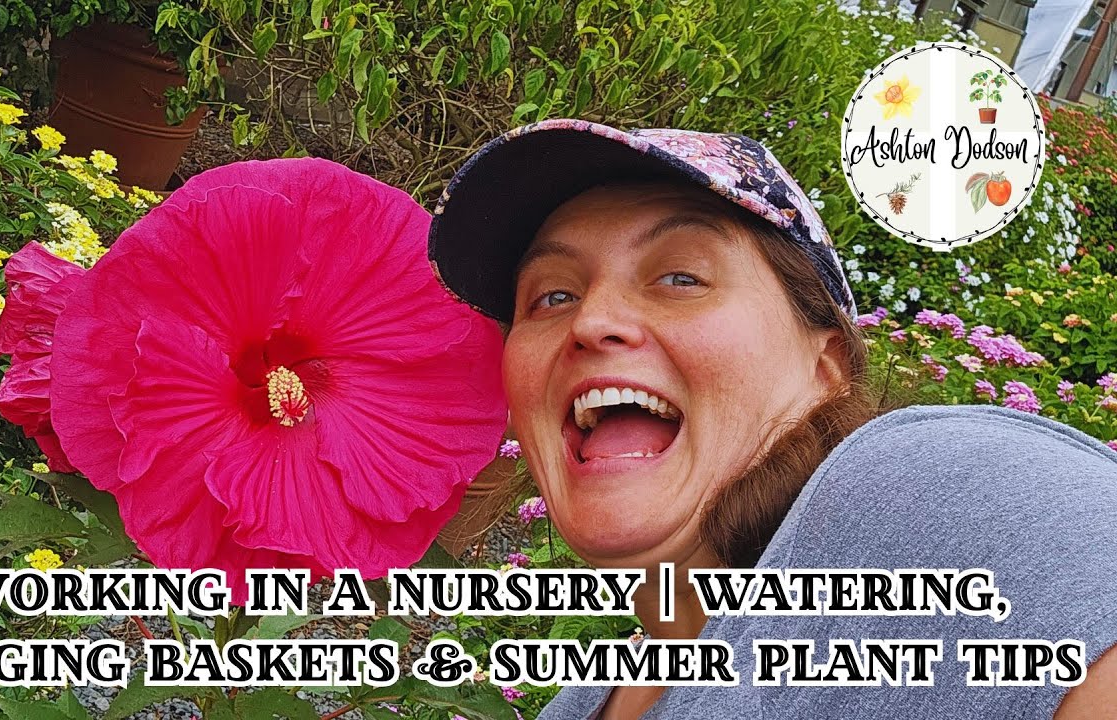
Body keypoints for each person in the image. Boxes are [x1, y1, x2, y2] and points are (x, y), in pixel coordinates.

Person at [427, 119, 1117, 719]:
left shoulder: (938, 488)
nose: (592, 320)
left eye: (680, 278)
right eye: (550, 295)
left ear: (827, 369)